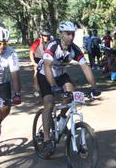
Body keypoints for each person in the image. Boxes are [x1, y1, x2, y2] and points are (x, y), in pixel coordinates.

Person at [37, 21, 100, 149]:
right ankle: (46, 139)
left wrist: (94, 87)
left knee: (71, 94)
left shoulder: (75, 50)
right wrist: (54, 86)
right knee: (49, 102)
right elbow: (48, 67)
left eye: (73, 34)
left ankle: (61, 117)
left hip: (60, 74)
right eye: (68, 34)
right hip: (45, 74)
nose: (71, 37)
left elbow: (86, 68)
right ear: (61, 35)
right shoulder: (53, 46)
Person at [30, 29, 52, 96]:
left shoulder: (51, 41)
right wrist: (33, 62)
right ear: (41, 36)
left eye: (47, 36)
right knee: (36, 71)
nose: (46, 37)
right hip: (37, 58)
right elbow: (31, 52)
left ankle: (50, 85)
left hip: (46, 58)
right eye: (44, 36)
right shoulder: (38, 41)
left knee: (49, 70)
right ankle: (36, 89)